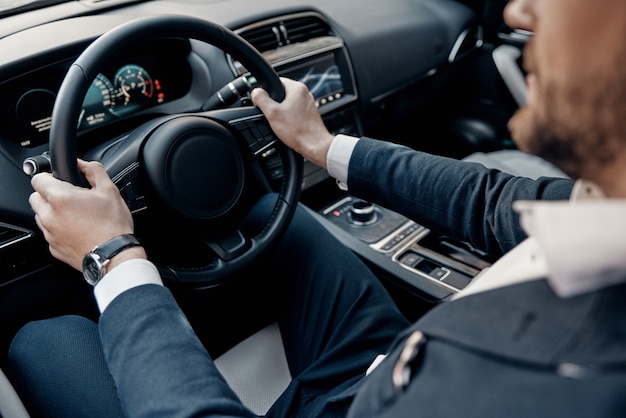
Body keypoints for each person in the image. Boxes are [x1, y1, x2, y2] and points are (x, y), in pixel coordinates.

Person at [8, 0, 626, 416]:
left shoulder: (569, 386)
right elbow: (500, 203)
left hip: (396, 396)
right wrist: (323, 146)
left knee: (43, 338)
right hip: (392, 364)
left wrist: (111, 258)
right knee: (264, 215)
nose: (521, 11)